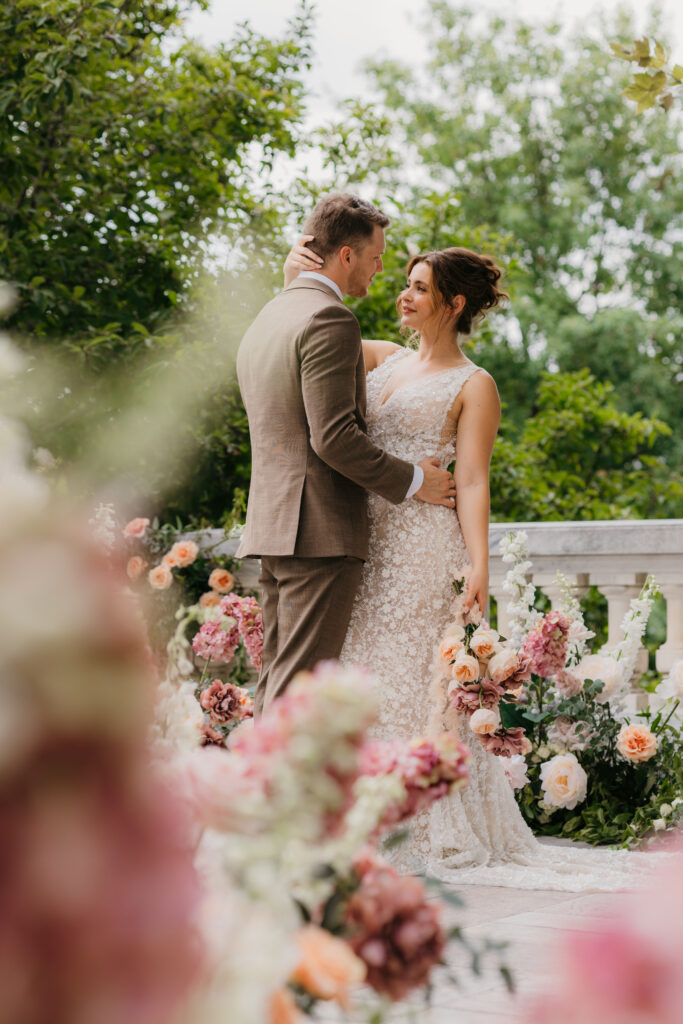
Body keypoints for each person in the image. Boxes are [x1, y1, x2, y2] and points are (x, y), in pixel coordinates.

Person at [283, 235, 655, 892]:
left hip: (427, 548)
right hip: (367, 544)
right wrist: (297, 273)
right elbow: (311, 327)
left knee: (414, 685)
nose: (403, 293)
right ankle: (357, 818)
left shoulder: (474, 384)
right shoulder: (380, 359)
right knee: (367, 679)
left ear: (453, 304)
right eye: (404, 281)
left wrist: (478, 566)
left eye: (419, 286)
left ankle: (426, 824)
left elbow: (475, 480)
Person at [236, 194, 456, 716]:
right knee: (298, 696)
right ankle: (269, 797)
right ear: (347, 256)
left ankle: (253, 791)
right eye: (377, 256)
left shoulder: (270, 317)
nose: (383, 268)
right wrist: (414, 482)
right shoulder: (331, 319)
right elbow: (333, 438)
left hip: (275, 527)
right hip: (320, 532)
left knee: (277, 682)